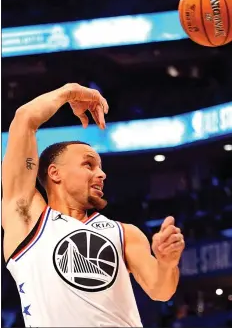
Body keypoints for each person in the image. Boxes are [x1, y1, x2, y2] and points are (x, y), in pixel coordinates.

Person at [2, 84, 185, 327]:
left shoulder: (124, 233)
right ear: (55, 173)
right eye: (89, 165)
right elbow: (25, 119)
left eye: (100, 166)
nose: (101, 174)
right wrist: (69, 92)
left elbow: (161, 291)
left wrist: (167, 263)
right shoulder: (27, 218)